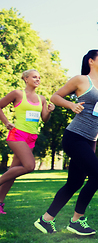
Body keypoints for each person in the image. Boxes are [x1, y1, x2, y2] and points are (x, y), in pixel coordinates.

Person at [34, 50, 98, 235]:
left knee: (74, 183)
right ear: (91, 61)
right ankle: (76, 220)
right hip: (75, 136)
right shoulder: (82, 80)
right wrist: (71, 105)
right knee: (97, 176)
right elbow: (55, 97)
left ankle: (45, 220)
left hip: (90, 141)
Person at [0, 70, 55, 214]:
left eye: (39, 77)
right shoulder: (17, 94)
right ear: (25, 79)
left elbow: (44, 119)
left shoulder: (42, 98)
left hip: (31, 137)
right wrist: (6, 122)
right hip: (17, 134)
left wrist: (49, 110)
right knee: (29, 166)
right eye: (34, 77)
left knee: (13, 173)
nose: (38, 79)